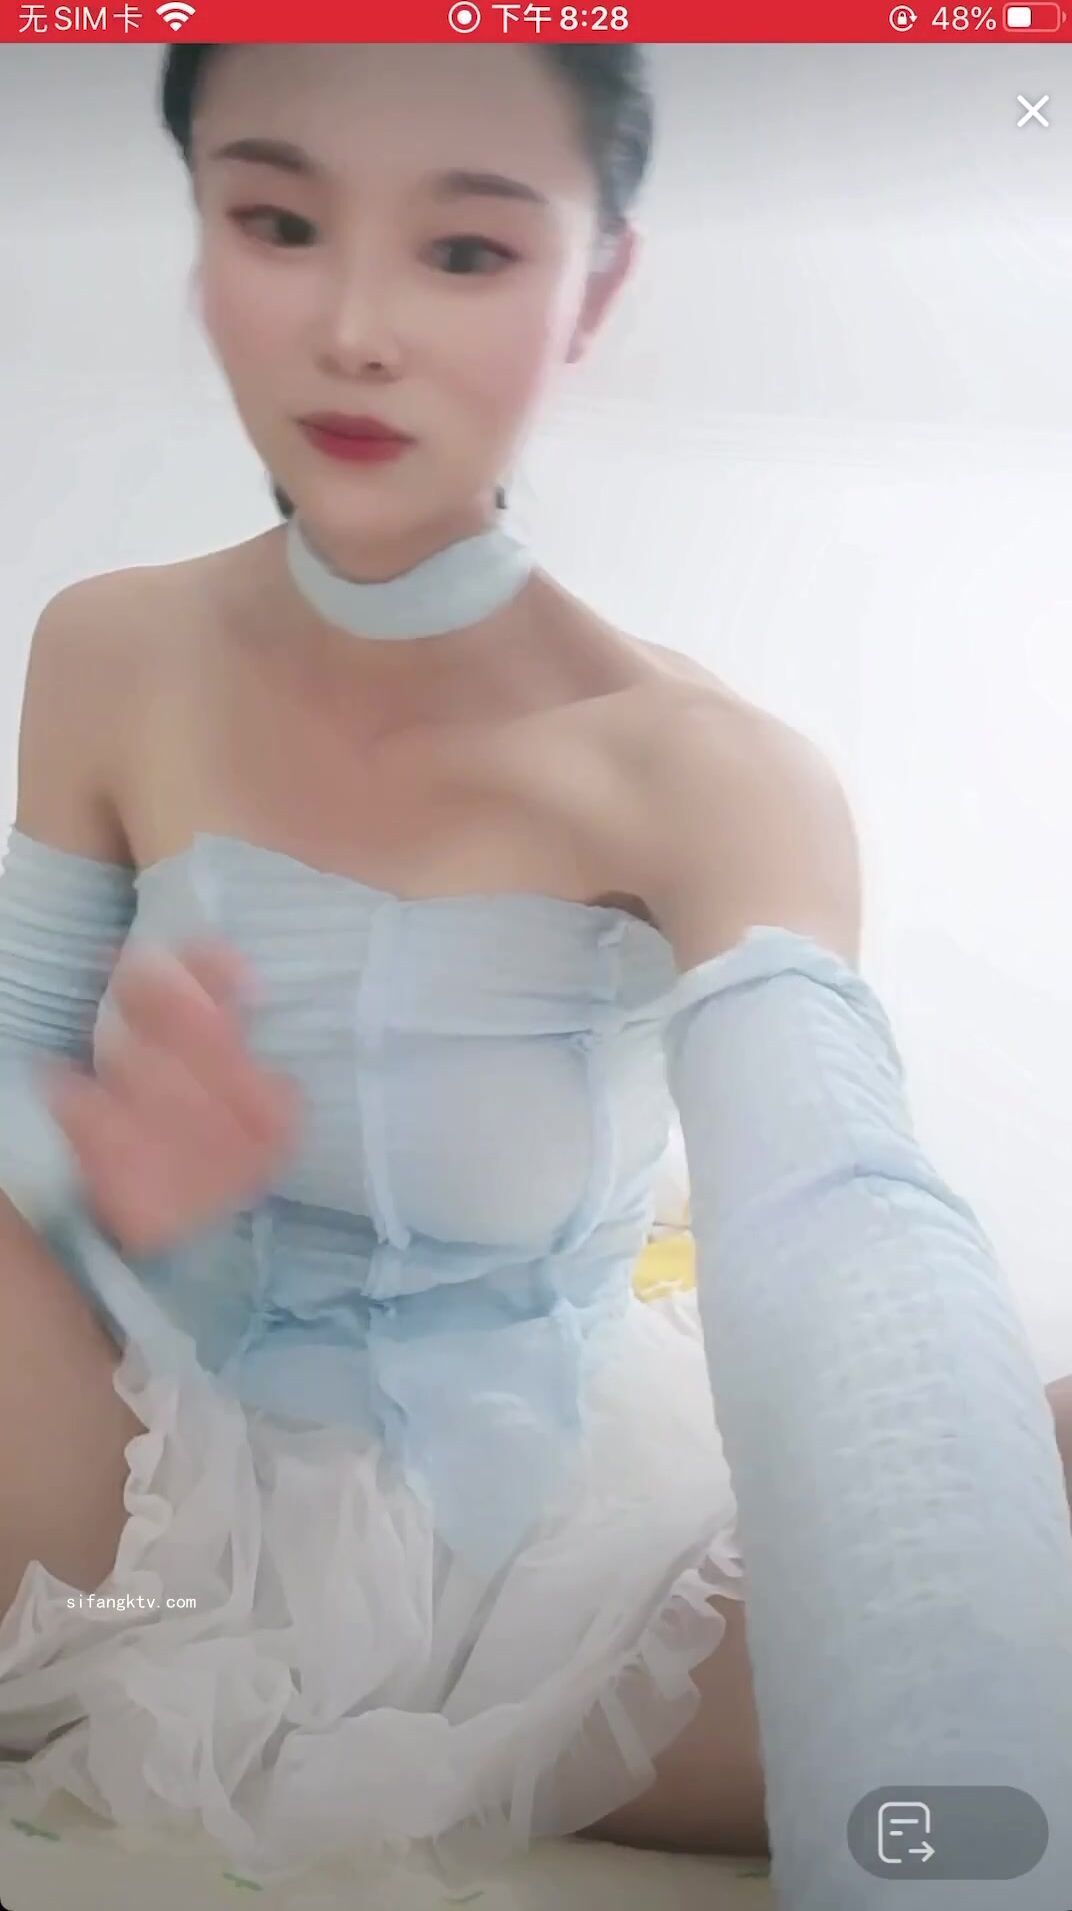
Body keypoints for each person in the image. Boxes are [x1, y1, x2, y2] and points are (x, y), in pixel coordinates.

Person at [1, 41, 1071, 1895]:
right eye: (279, 224)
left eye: (467, 251)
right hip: (134, 1497)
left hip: (555, 1572)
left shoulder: (715, 774)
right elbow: (17, 1075)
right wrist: (106, 1196)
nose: (353, 331)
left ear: (596, 288)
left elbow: (841, 1231)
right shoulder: (108, 649)